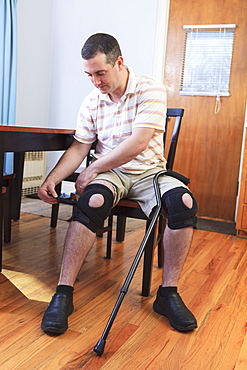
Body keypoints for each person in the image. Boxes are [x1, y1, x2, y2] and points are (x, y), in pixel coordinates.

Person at [38, 33, 198, 335]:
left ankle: (168, 294)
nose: (95, 81)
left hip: (150, 172)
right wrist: (52, 179)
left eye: (100, 72)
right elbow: (79, 147)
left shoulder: (150, 89)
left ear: (119, 62)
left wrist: (92, 169)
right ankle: (63, 293)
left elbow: (138, 143)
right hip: (113, 175)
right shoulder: (91, 102)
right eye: (89, 75)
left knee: (183, 203)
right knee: (91, 202)